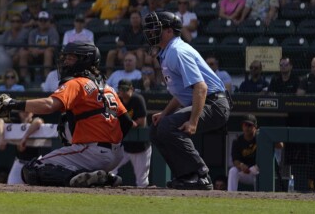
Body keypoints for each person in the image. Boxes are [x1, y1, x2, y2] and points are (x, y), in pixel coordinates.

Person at [0, 41, 131, 187]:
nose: (66, 62)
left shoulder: (77, 82)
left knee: (31, 170)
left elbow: (49, 105)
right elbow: (127, 122)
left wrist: (13, 104)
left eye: (70, 58)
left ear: (84, 60)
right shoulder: (109, 88)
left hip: (91, 151)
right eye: (65, 58)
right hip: (116, 155)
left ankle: (76, 177)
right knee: (67, 121)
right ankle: (103, 178)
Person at [144, 10, 230, 190]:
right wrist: (165, 113)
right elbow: (182, 91)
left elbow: (201, 88)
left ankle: (201, 175)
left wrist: (193, 121)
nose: (151, 32)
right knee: (157, 128)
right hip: (204, 101)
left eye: (156, 28)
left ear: (168, 31)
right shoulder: (168, 51)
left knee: (168, 126)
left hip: (214, 103)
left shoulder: (177, 51)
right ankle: (186, 175)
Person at [110, 79, 150, 187]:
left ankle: (143, 201)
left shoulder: (137, 99)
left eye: (125, 89)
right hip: (124, 145)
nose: (122, 92)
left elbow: (142, 122)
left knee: (142, 182)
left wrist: (128, 123)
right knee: (109, 171)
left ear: (131, 89)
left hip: (140, 147)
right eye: (120, 89)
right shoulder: (117, 100)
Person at [226, 115, 260, 191]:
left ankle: (262, 197)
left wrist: (263, 134)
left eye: (250, 125)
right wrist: (241, 165)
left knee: (257, 169)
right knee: (233, 171)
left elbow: (279, 145)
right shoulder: (237, 141)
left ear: (255, 127)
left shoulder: (260, 138)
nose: (247, 128)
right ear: (242, 126)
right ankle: (230, 196)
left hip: (258, 172)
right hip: (245, 172)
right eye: (245, 125)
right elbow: (235, 160)